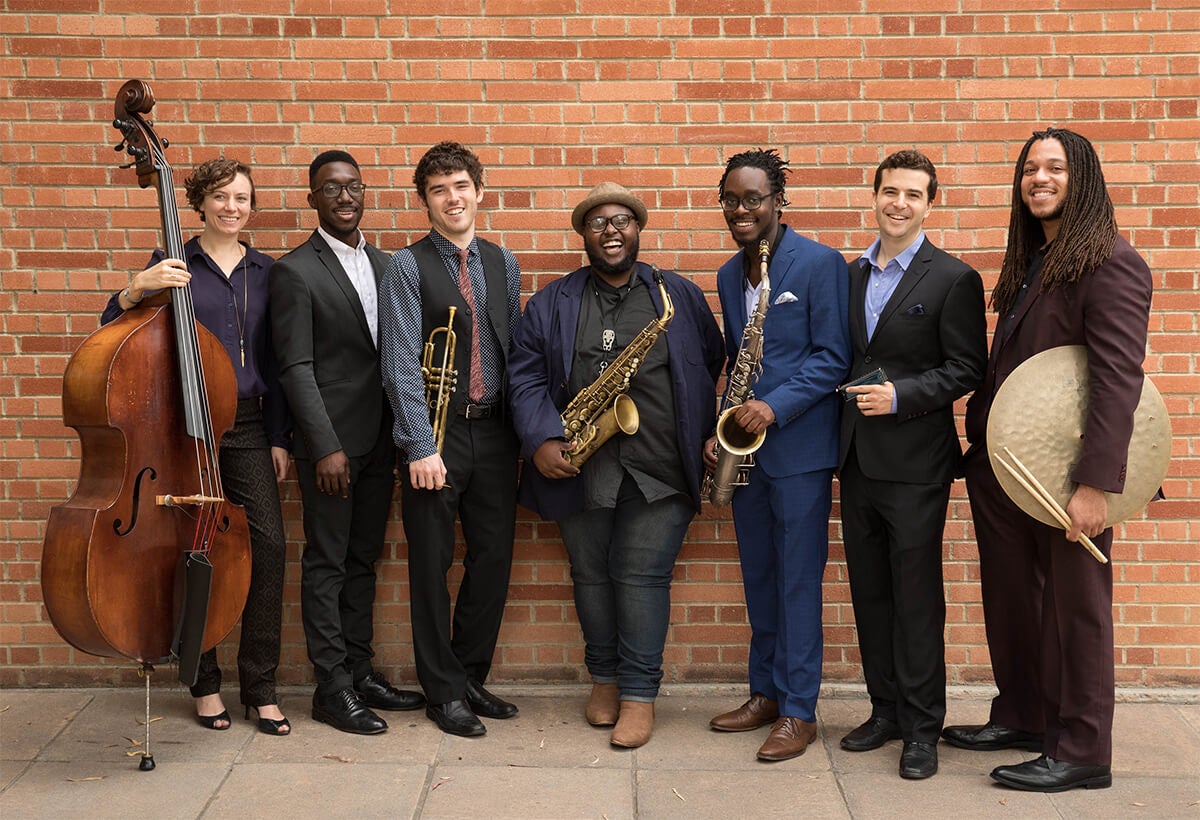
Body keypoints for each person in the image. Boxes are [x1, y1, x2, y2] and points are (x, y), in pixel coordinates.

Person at [945, 128, 1153, 792]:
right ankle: (1024, 715)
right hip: (1007, 468)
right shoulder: (1035, 258)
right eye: (1030, 168)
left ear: (1082, 178)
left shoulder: (1111, 262)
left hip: (1068, 478)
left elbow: (1117, 381)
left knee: (1075, 611)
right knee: (1013, 600)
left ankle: (1084, 749)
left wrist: (1096, 487)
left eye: (1056, 167)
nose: (1039, 177)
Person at [508, 183, 724, 748]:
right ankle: (603, 678)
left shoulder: (677, 294)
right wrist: (541, 439)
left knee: (641, 575)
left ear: (638, 229)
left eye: (622, 220)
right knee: (590, 574)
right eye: (598, 222)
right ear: (584, 234)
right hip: (580, 461)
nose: (611, 231)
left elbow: (710, 356)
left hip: (661, 464)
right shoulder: (552, 301)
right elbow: (525, 376)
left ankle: (638, 694)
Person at [102, 157, 292, 735]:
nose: (232, 207)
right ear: (200, 203)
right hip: (181, 429)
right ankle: (203, 683)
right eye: (221, 197)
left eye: (242, 198)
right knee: (194, 548)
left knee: (269, 546)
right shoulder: (172, 265)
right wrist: (137, 287)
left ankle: (260, 687)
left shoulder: (268, 271)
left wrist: (279, 437)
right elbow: (112, 327)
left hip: (248, 425)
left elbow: (277, 363)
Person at [836, 150, 987, 779]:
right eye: (890, 191)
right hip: (855, 460)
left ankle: (923, 729)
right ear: (874, 196)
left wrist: (900, 395)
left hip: (917, 465)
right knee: (870, 594)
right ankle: (886, 711)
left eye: (913, 195)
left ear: (930, 204)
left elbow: (967, 367)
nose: (899, 204)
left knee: (917, 600)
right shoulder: (849, 274)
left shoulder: (953, 278)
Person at [270, 150, 424, 736]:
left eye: (353, 186)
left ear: (364, 193)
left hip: (382, 440)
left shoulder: (388, 264)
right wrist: (323, 445)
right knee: (327, 563)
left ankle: (360, 672)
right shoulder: (294, 271)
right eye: (331, 188)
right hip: (331, 448)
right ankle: (331, 688)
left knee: (364, 559)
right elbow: (296, 367)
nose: (344, 197)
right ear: (313, 198)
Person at [704, 148, 851, 761]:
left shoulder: (820, 263)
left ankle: (799, 711)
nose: (741, 210)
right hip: (748, 453)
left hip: (799, 451)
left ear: (778, 202)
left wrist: (773, 407)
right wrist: (722, 425)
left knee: (796, 582)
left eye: (753, 199)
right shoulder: (727, 274)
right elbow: (741, 358)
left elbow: (833, 356)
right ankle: (764, 693)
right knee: (760, 577)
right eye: (731, 200)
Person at [379, 141, 523, 738]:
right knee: (431, 564)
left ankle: (468, 676)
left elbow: (515, 349)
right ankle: (442, 691)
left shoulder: (504, 263)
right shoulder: (406, 266)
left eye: (461, 186)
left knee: (492, 559)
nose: (452, 198)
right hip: (437, 433)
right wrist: (420, 445)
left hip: (496, 432)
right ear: (426, 202)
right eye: (438, 190)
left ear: (479, 192)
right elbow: (399, 364)